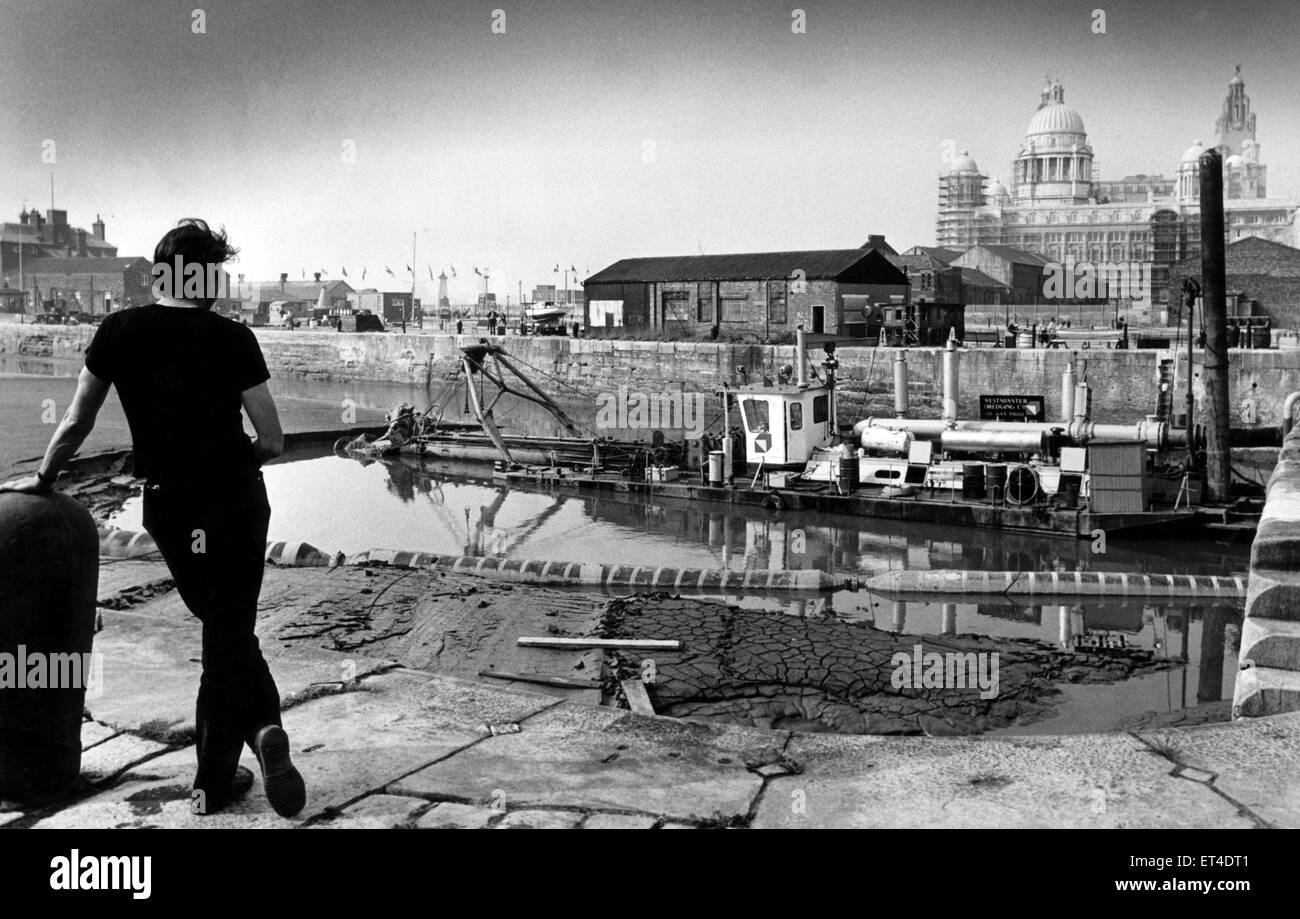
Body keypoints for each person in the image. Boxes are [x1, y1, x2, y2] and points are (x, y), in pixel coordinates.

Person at [0, 219, 305, 818]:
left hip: (172, 504)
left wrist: (43, 477)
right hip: (239, 500)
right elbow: (272, 440)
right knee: (229, 631)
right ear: (205, 276)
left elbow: (76, 422)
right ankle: (255, 737)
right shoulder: (234, 337)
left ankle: (227, 770)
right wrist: (227, 463)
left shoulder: (118, 330)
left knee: (223, 632)